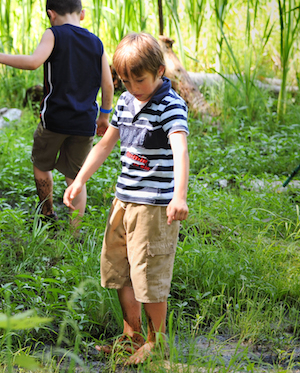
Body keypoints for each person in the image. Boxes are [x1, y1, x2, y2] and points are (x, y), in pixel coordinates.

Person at [63, 32, 189, 364]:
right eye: (124, 79)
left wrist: (179, 195)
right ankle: (131, 336)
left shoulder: (170, 104)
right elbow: (105, 144)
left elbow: (180, 149)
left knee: (149, 275)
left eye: (140, 78)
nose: (132, 85)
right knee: (120, 269)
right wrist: (79, 180)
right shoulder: (124, 101)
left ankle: (155, 341)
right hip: (123, 199)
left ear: (160, 71)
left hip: (154, 204)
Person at [0, 0, 114, 228]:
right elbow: (108, 84)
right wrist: (104, 116)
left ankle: (48, 213)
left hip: (54, 120)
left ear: (50, 14)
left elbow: (34, 62)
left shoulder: (53, 34)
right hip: (85, 122)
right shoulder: (97, 43)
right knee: (76, 178)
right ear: (82, 14)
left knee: (42, 166)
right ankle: (75, 233)